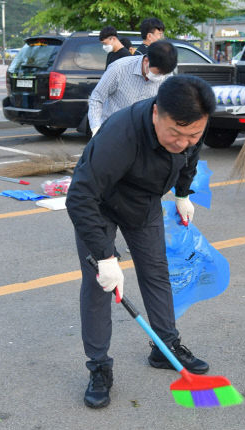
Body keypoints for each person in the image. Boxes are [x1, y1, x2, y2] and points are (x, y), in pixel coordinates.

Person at [66, 75, 215, 409]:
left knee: (156, 272)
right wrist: (105, 257)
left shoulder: (193, 126)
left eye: (193, 134)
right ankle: (99, 366)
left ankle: (165, 347)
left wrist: (182, 192)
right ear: (156, 112)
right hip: (100, 204)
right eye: (175, 133)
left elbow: (190, 156)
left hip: (144, 202)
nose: (183, 142)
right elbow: (79, 196)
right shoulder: (120, 135)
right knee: (99, 286)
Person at [87, 41, 177, 136]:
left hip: (143, 133)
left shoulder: (167, 75)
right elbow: (96, 98)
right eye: (158, 73)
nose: (160, 77)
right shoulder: (119, 68)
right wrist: (96, 128)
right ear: (146, 61)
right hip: (113, 130)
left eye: (164, 74)